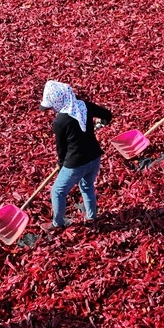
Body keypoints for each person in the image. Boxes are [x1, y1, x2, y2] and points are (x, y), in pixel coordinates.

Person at [39, 80, 112, 231]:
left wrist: (60, 165)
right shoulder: (84, 106)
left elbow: (62, 149)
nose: (52, 109)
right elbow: (107, 115)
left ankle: (57, 224)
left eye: (52, 105)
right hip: (95, 157)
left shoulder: (60, 121)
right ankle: (92, 217)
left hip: (76, 163)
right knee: (87, 186)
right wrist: (100, 124)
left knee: (57, 191)